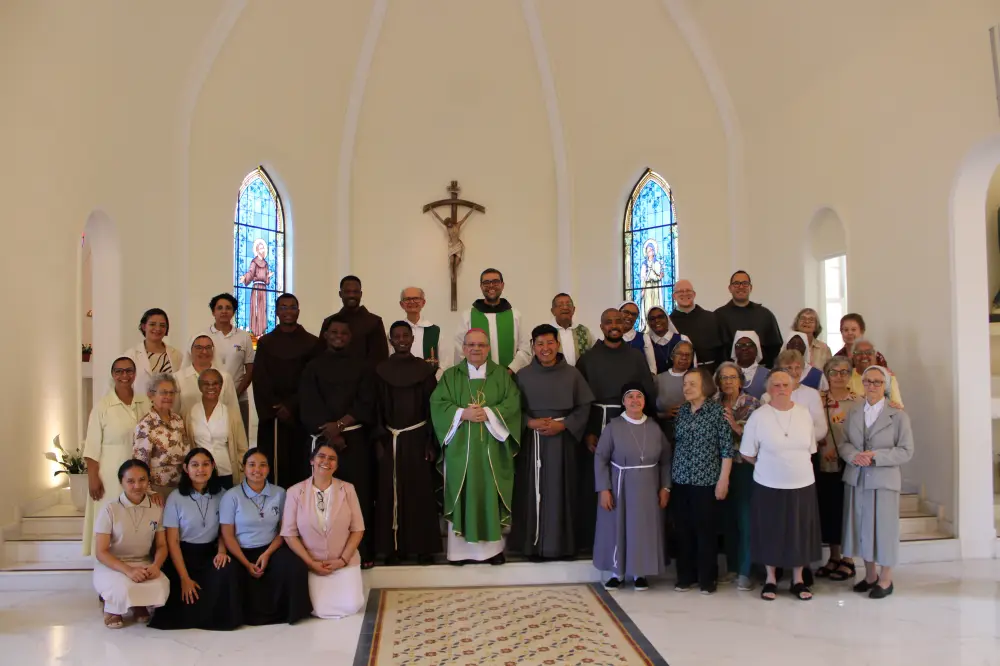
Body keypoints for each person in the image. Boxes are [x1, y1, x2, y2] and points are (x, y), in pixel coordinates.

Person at [431, 329, 522, 565]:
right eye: (471, 345)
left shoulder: (502, 375)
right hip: (461, 448)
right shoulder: (451, 376)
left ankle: (493, 551)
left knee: (489, 493)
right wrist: (463, 413)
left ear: (488, 348)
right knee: (461, 491)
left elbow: (513, 403)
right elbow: (438, 404)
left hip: (493, 447)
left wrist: (489, 413)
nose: (476, 349)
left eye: (481, 345)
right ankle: (459, 552)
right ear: (464, 348)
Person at [510, 324, 594, 560]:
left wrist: (564, 424)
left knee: (562, 490)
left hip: (562, 442)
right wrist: (528, 423)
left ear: (557, 344)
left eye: (549, 343)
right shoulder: (523, 376)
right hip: (533, 443)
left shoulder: (573, 374)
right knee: (532, 491)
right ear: (532, 347)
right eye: (540, 344)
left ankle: (563, 546)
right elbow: (512, 410)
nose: (545, 348)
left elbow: (584, 405)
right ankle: (533, 545)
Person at [300, 315, 378, 566]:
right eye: (334, 332)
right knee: (326, 499)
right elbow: (309, 402)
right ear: (325, 335)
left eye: (344, 333)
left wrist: (341, 426)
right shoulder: (313, 367)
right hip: (325, 442)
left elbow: (366, 401)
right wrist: (332, 434)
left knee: (358, 497)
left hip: (354, 440)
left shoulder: (363, 366)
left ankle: (361, 550)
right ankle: (326, 550)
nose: (339, 337)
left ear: (350, 337)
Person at [576, 309, 656, 551]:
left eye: (618, 321)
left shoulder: (635, 357)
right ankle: (595, 540)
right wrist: (588, 430)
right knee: (599, 482)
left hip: (629, 422)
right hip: (598, 423)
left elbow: (647, 394)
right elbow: (580, 399)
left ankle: (628, 539)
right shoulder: (588, 359)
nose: (614, 325)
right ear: (601, 327)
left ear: (626, 325)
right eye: (608, 322)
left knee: (626, 482)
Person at [740, 371, 822, 601]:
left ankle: (798, 580)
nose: (781, 389)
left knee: (799, 532)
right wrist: (768, 464)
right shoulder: (759, 416)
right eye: (776, 385)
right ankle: (771, 580)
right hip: (768, 483)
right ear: (769, 389)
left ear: (793, 387)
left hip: (802, 483)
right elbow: (747, 453)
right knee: (771, 531)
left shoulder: (804, 413)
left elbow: (810, 449)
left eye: (785, 384)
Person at [839, 366, 914, 599]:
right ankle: (869, 575)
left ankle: (885, 578)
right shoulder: (853, 412)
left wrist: (876, 457)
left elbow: (906, 451)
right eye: (868, 382)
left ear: (886, 386)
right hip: (858, 477)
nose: (872, 386)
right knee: (862, 528)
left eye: (877, 382)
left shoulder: (898, 415)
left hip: (884, 480)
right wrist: (854, 456)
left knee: (884, 529)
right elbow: (843, 443)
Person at [148, 448, 240, 631]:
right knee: (179, 595)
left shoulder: (222, 494)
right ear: (186, 468)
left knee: (227, 569)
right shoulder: (175, 497)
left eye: (206, 464)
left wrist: (222, 551)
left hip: (209, 553)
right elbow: (172, 541)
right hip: (182, 555)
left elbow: (225, 530)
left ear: (213, 467)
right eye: (195, 465)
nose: (201, 469)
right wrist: (185, 578)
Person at [374, 321, 441, 565]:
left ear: (413, 339)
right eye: (396, 336)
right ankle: (393, 547)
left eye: (406, 335)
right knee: (389, 493)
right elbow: (376, 407)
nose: (401, 339)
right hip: (390, 438)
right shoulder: (380, 370)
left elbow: (433, 408)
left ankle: (423, 548)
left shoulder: (424, 370)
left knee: (419, 494)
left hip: (417, 438)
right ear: (390, 341)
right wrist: (379, 439)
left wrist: (430, 442)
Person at [593, 383, 671, 591]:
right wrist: (604, 489)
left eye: (639, 396)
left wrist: (666, 487)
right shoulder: (613, 427)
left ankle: (640, 573)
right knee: (617, 527)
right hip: (620, 487)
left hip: (648, 487)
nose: (635, 401)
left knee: (642, 529)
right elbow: (601, 459)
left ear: (645, 401)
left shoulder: (654, 427)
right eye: (630, 397)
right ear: (623, 402)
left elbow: (666, 460)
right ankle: (616, 573)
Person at [220, 449, 311, 625]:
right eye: (252, 465)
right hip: (241, 551)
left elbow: (283, 529)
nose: (257, 470)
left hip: (271, 548)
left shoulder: (280, 493)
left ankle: (289, 614)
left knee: (295, 566)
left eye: (262, 465)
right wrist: (246, 563)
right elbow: (227, 535)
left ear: (269, 469)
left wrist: (268, 553)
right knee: (227, 573)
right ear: (243, 468)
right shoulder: (231, 496)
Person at [282, 444, 366, 619]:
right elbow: (289, 534)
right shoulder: (294, 492)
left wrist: (342, 560)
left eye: (332, 458)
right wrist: (310, 562)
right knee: (318, 610)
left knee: (352, 605)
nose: (326, 461)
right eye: (321, 456)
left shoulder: (348, 489)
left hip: (343, 560)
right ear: (312, 460)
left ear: (337, 465)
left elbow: (358, 529)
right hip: (313, 564)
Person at [671, 367, 732, 594]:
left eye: (692, 384)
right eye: (685, 384)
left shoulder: (718, 413)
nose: (687, 388)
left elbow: (727, 449)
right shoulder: (683, 412)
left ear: (705, 387)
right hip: (681, 479)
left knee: (705, 531)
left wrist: (723, 480)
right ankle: (685, 576)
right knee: (683, 530)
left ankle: (707, 578)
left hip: (707, 481)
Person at [83, 357, 152, 555]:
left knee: (134, 516)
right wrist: (93, 478)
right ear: (113, 375)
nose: (124, 375)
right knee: (109, 514)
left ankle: (134, 557)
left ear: (135, 374)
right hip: (110, 469)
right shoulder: (103, 407)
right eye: (119, 371)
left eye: (129, 371)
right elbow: (92, 447)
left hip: (139, 471)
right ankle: (104, 559)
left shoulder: (145, 402)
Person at [252, 292, 321, 486]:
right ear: (276, 312)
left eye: (292, 307)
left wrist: (291, 406)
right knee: (272, 465)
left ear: (298, 311)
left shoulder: (312, 343)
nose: (288, 311)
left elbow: (311, 380)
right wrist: (276, 406)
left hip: (300, 416)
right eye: (283, 307)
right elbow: (260, 379)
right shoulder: (265, 343)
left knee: (300, 464)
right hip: (273, 417)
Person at [92, 459, 169, 629]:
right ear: (121, 482)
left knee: (162, 586)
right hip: (113, 564)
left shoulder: (156, 507)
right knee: (123, 587)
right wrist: (128, 570)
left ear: (149, 481)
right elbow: (101, 552)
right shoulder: (109, 509)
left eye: (142, 480)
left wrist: (156, 565)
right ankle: (111, 608)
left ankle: (137, 604)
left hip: (143, 562)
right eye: (130, 481)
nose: (137, 486)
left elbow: (162, 545)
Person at [713, 361, 761, 591]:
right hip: (720, 469)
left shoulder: (753, 404)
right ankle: (732, 566)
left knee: (745, 519)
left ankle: (746, 570)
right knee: (727, 519)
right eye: (724, 378)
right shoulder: (714, 403)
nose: (728, 382)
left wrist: (735, 426)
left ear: (741, 380)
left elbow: (758, 439)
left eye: (733, 377)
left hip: (744, 468)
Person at [812, 356, 860, 583]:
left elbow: (862, 435)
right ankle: (833, 556)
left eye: (843, 372)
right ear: (826, 374)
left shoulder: (858, 402)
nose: (838, 376)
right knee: (830, 510)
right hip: (821, 464)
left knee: (847, 510)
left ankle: (848, 559)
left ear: (849, 375)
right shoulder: (818, 400)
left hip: (848, 464)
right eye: (834, 372)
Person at [453, 268, 532, 372]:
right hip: (476, 378)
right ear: (481, 286)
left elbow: (525, 349)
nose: (491, 286)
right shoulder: (468, 316)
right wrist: (475, 371)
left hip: (509, 378)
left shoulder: (515, 315)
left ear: (502, 285)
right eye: (486, 282)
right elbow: (460, 349)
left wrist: (510, 370)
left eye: (495, 282)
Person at [184, 368, 248, 489]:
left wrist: (240, 469)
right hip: (199, 473)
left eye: (215, 383)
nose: (211, 387)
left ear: (221, 385)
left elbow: (242, 447)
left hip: (226, 472)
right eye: (206, 384)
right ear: (199, 387)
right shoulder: (189, 413)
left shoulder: (231, 413)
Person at [205, 293, 255, 435]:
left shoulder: (243, 336)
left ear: (233, 312)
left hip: (239, 397)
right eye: (219, 308)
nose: (224, 311)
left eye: (228, 308)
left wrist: (236, 393)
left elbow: (250, 368)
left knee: (239, 438)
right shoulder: (204, 335)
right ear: (213, 312)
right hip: (210, 397)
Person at [133, 373, 191, 496]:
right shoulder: (145, 425)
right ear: (151, 395)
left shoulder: (177, 420)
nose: (168, 397)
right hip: (157, 490)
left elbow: (186, 450)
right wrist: (149, 492)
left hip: (181, 486)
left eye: (171, 392)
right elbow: (140, 463)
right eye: (163, 392)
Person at [715, 271, 783, 368]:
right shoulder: (718, 316)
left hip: (761, 371)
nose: (741, 287)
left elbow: (775, 348)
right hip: (728, 373)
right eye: (736, 283)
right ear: (730, 288)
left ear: (751, 288)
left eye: (745, 283)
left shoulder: (765, 315)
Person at [321, 275, 389, 365]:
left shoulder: (374, 322)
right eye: (347, 292)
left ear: (361, 294)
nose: (351, 295)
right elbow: (321, 355)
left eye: (355, 292)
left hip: (366, 377)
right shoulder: (329, 322)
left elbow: (381, 358)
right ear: (340, 294)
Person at [176, 334, 241, 420]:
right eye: (199, 347)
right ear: (190, 350)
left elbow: (233, 410)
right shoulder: (178, 378)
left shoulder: (225, 377)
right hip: (186, 429)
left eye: (208, 347)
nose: (204, 352)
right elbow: (173, 411)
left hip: (219, 431)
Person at [773, 349, 829, 444]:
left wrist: (798, 439)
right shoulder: (769, 395)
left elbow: (821, 428)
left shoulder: (812, 394)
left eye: (797, 367)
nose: (794, 372)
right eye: (788, 368)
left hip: (806, 449)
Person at [124, 308, 183, 397]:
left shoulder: (176, 356)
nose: (158, 328)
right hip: (140, 408)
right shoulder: (131, 355)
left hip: (169, 407)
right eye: (152, 324)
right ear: (144, 327)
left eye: (162, 325)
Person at [670, 279, 724, 371]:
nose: (685, 294)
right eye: (680, 291)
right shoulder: (669, 322)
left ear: (694, 294)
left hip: (710, 372)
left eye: (688, 291)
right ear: (674, 296)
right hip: (682, 373)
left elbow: (722, 349)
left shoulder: (711, 317)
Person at [396, 286, 450, 373]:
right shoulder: (396, 331)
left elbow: (445, 363)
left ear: (423, 302)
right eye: (407, 299)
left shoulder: (435, 331)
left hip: (431, 383)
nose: (412, 302)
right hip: (402, 382)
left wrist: (433, 381)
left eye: (416, 298)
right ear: (401, 304)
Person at [654, 340, 695, 442]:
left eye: (688, 355)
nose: (684, 357)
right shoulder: (658, 379)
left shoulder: (697, 379)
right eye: (680, 354)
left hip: (691, 432)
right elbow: (649, 410)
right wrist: (665, 414)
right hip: (662, 430)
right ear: (672, 356)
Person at [848, 339, 904, 408]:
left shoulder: (887, 376)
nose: (864, 356)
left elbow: (898, 407)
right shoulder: (845, 376)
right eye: (858, 353)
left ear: (875, 355)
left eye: (869, 352)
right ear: (852, 356)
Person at [240, 238, 275, 340]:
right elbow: (251, 273)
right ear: (257, 250)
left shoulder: (265, 263)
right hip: (256, 288)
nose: (262, 250)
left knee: (262, 309)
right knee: (256, 308)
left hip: (263, 289)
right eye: (260, 248)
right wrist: (245, 278)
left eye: (263, 248)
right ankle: (255, 333)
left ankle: (262, 332)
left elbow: (266, 279)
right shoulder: (254, 262)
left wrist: (268, 276)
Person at [550, 293, 595, 367]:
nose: (565, 307)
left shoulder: (584, 332)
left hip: (579, 376)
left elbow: (594, 356)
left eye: (568, 304)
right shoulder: (546, 332)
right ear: (553, 311)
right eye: (560, 305)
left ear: (573, 309)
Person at [644, 306, 693, 374]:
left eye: (660, 317)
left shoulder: (682, 339)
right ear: (648, 323)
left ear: (667, 319)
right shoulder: (645, 342)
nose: (657, 320)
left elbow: (693, 365)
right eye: (652, 319)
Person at [618, 300, 656, 373]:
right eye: (626, 312)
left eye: (634, 314)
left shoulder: (644, 337)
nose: (630, 316)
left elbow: (652, 368)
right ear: (618, 313)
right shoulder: (609, 336)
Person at [731, 331, 769, 399]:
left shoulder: (769, 375)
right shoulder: (724, 373)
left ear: (757, 349)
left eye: (749, 344)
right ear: (734, 350)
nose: (744, 348)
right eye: (739, 345)